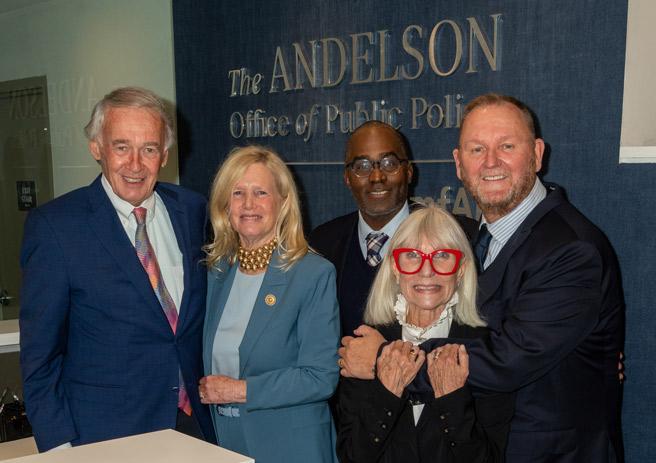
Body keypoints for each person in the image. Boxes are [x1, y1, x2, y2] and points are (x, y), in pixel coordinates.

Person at [339, 93, 624, 462]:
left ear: (537, 154)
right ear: (459, 164)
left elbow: (507, 359)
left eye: (506, 145)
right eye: (476, 149)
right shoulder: (471, 241)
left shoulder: (572, 250)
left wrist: (384, 359)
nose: (491, 161)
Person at [19, 86, 215, 451]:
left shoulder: (192, 210)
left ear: (165, 154)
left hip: (193, 426)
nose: (135, 164)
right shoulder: (56, 227)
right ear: (97, 148)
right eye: (121, 146)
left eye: (149, 149)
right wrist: (58, 449)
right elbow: (39, 359)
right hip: (104, 436)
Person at [337, 203, 514, 463]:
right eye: (412, 256)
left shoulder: (487, 346)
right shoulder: (369, 343)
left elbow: (490, 460)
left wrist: (452, 399)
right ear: (395, 268)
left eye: (442, 255)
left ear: (461, 269)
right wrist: (387, 391)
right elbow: (351, 457)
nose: (427, 270)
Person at [199, 145, 340, 463]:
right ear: (225, 204)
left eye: (260, 192)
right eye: (237, 193)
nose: (248, 204)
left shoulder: (312, 274)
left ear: (283, 202)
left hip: (291, 447)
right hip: (224, 444)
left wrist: (237, 390)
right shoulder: (215, 272)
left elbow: (320, 377)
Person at [310, 121, 476, 338]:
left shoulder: (463, 237)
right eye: (362, 166)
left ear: (408, 172)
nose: (377, 176)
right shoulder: (321, 246)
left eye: (389, 163)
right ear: (347, 179)